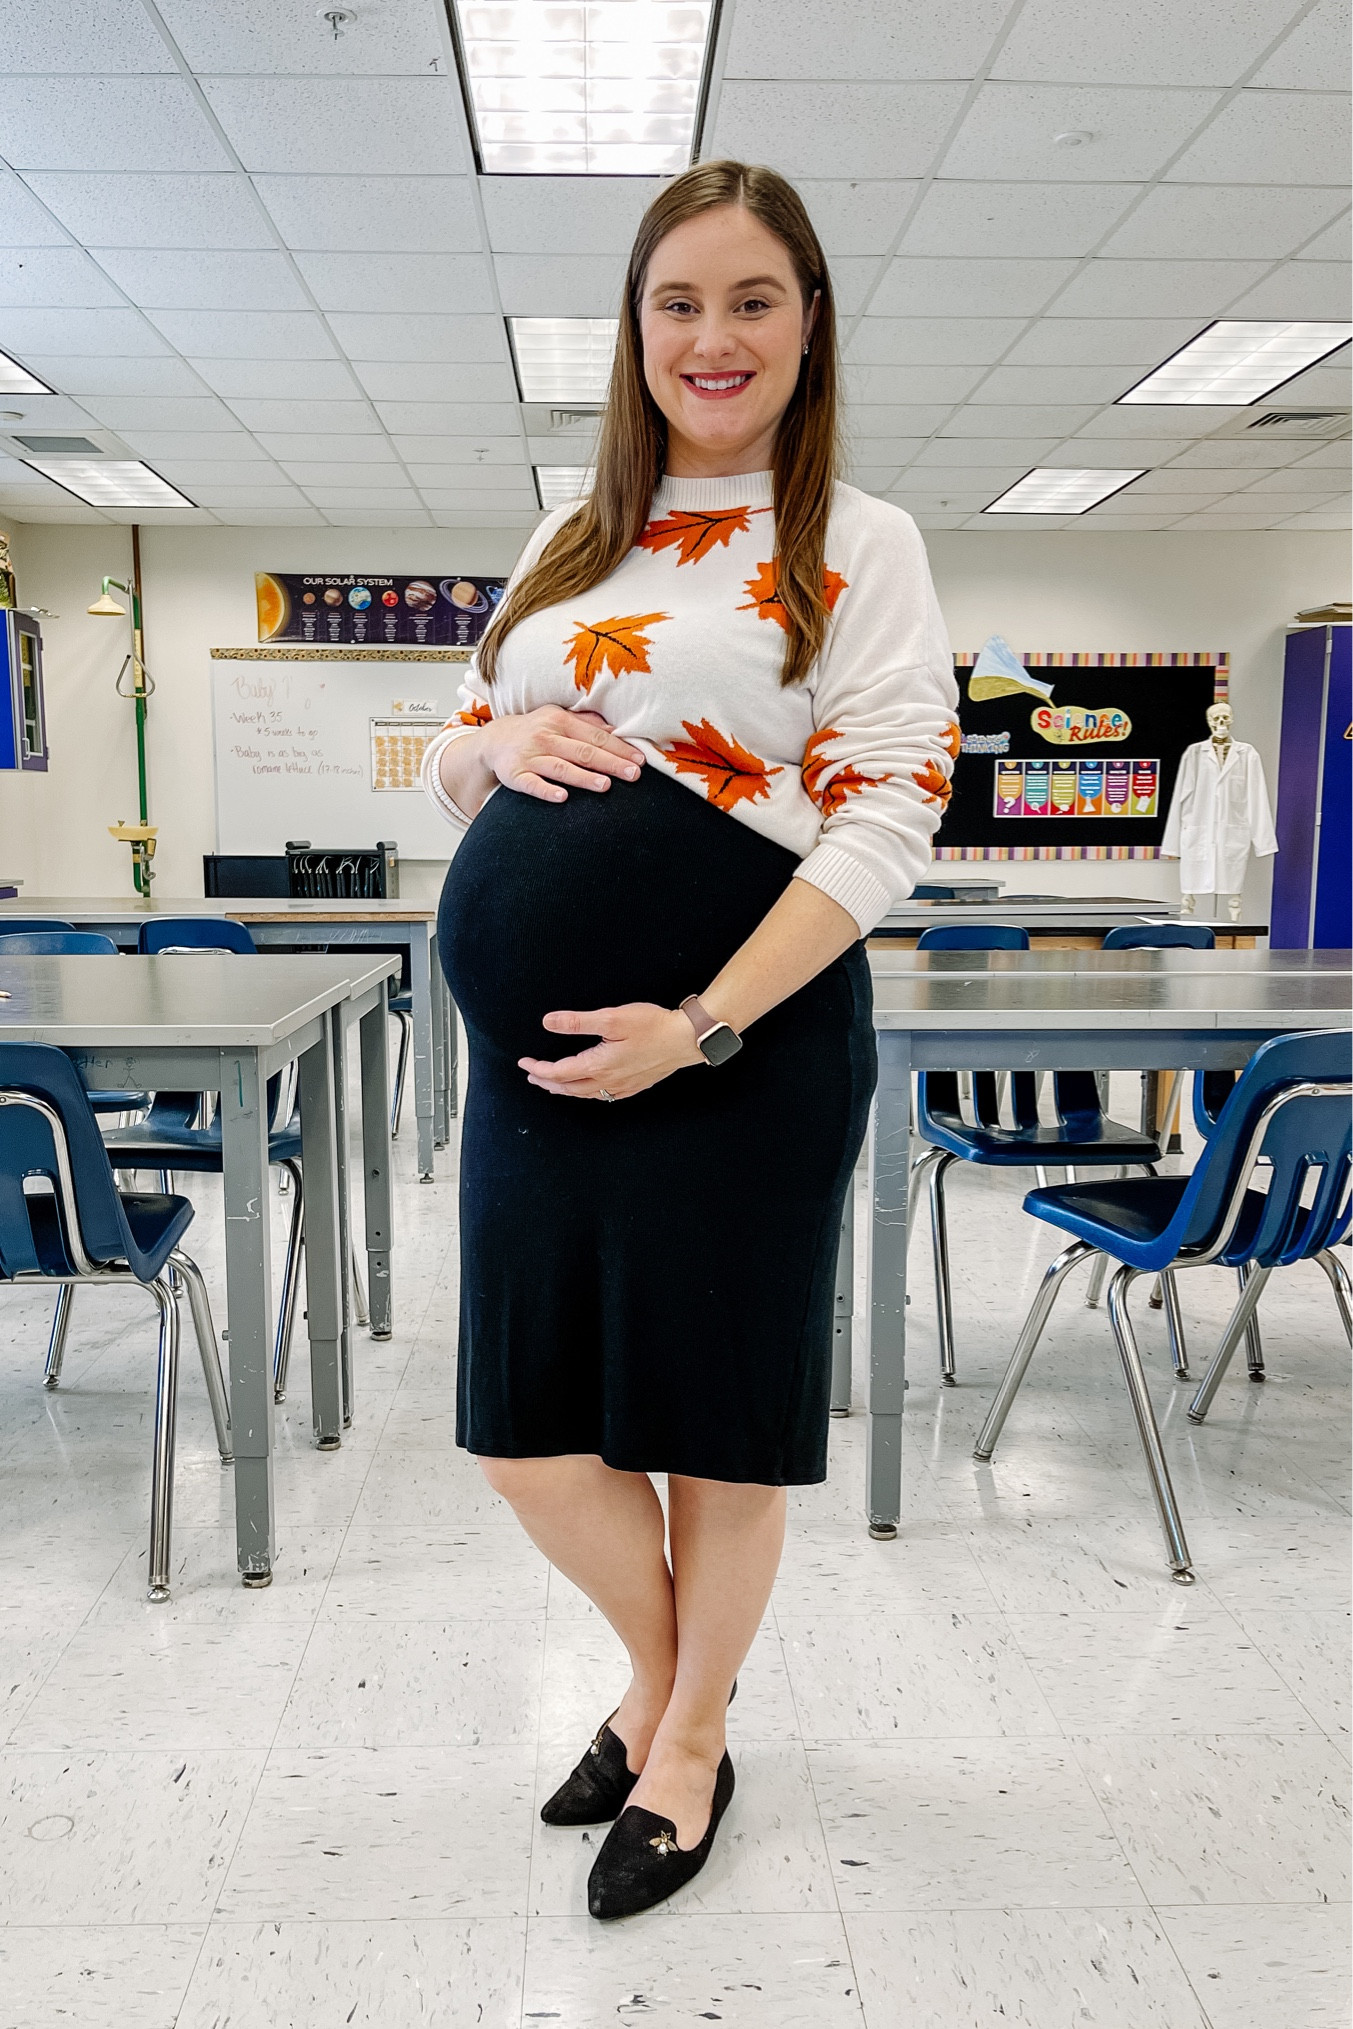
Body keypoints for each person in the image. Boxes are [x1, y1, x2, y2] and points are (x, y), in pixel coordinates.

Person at [421, 159, 959, 1921]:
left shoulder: (856, 544)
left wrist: (704, 1024)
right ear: (634, 330)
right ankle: (664, 1688)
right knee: (527, 1433)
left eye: (751, 299)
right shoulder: (568, 539)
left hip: (745, 1056)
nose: (711, 336)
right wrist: (488, 752)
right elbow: (451, 744)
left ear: (807, 326)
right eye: (678, 301)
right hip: (537, 1088)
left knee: (716, 1430)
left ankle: (686, 1737)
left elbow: (888, 815)